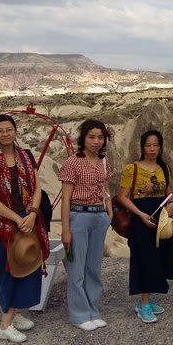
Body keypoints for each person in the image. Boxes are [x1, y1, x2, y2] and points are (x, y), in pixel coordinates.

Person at [0, 114, 49, 343]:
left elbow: (37, 187)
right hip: (3, 224)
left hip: (28, 220)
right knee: (8, 270)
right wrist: (18, 219)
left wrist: (34, 213)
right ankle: (5, 325)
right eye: (0, 130)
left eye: (9, 129)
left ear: (15, 131)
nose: (5, 134)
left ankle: (14, 313)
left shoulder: (25, 155)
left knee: (27, 266)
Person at [117, 130, 173, 323]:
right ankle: (143, 304)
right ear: (142, 147)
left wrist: (171, 205)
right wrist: (141, 215)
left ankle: (147, 300)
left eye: (155, 145)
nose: (152, 149)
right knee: (145, 259)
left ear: (160, 147)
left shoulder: (164, 167)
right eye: (148, 145)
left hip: (159, 218)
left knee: (157, 258)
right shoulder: (132, 169)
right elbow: (122, 198)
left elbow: (169, 194)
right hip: (141, 217)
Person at [59, 119, 114, 331]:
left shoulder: (103, 161)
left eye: (100, 137)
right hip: (79, 216)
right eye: (91, 137)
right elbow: (65, 198)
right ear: (83, 138)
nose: (96, 141)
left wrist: (108, 210)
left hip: (98, 216)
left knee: (94, 267)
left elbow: (105, 187)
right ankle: (79, 314)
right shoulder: (72, 163)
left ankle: (93, 310)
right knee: (77, 268)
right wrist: (65, 230)